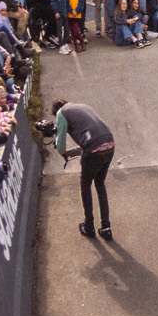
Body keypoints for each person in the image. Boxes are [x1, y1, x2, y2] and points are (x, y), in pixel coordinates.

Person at [51, 100, 117, 241]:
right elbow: (90, 142)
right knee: (100, 184)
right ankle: (106, 228)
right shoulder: (82, 107)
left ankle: (89, 226)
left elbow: (60, 147)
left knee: (85, 185)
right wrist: (71, 153)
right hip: (109, 145)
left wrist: (60, 149)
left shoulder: (61, 113)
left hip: (93, 150)